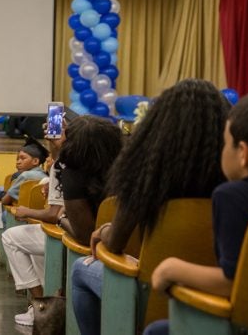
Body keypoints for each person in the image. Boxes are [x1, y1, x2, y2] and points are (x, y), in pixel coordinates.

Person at [70, 78, 230, 335]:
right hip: (226, 304)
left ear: (159, 126)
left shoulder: (146, 181)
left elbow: (115, 243)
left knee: (80, 269)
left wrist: (105, 231)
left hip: (153, 296)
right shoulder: (237, 187)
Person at [143, 89, 248, 335]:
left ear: (244, 153)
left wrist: (171, 268)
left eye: (225, 144)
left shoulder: (231, 196)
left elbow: (232, 282)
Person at [5, 116, 123, 327]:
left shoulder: (72, 174)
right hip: (135, 258)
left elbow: (85, 235)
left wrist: (61, 218)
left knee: (78, 269)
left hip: (104, 256)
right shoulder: (130, 174)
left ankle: (42, 305)